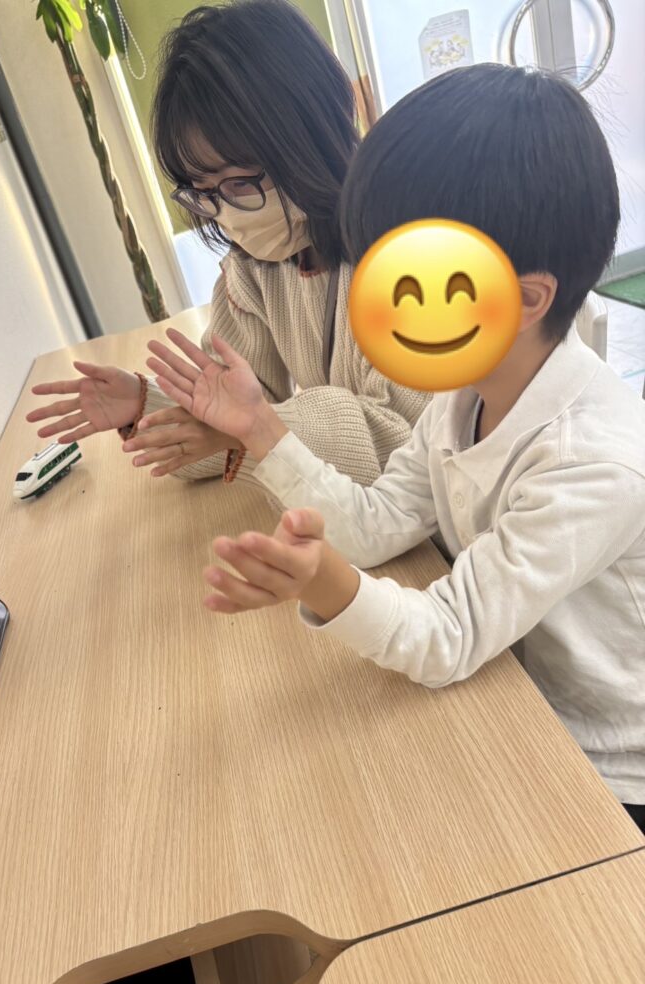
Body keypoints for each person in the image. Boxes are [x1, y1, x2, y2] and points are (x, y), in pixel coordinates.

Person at [147, 64, 645, 829]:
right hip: (515, 692)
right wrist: (260, 427)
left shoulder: (590, 462)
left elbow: (449, 635)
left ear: (525, 298)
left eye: (410, 280)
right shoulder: (463, 395)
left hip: (611, 766)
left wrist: (328, 585)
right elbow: (378, 523)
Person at [26, 0, 428, 486]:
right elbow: (227, 402)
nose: (226, 214)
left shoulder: (413, 253)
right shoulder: (255, 268)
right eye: (205, 192)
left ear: (311, 136)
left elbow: (406, 441)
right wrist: (144, 402)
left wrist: (249, 428)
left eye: (238, 182)